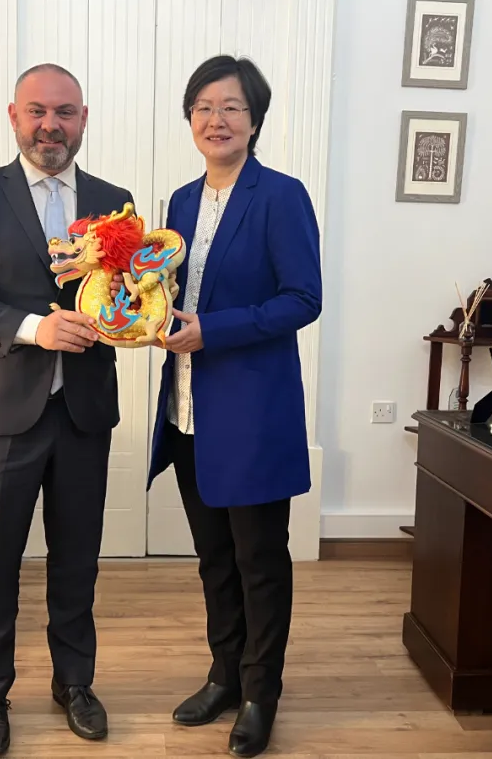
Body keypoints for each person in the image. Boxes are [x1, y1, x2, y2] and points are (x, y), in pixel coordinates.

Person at [0, 63, 132, 756]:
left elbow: (126, 295)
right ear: (15, 116)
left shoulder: (114, 202)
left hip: (84, 410)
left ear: (84, 119)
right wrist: (33, 328)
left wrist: (130, 312)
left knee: (77, 560)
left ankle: (75, 683)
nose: (52, 126)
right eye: (38, 111)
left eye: (65, 112)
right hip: (1, 410)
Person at [147, 55, 322, 757]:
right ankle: (223, 674)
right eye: (203, 107)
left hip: (251, 411)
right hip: (187, 407)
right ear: (189, 118)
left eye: (231, 107)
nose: (215, 120)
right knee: (213, 557)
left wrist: (210, 331)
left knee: (259, 559)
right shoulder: (180, 203)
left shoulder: (281, 196)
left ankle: (260, 692)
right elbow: (167, 293)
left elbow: (302, 299)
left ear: (254, 120)